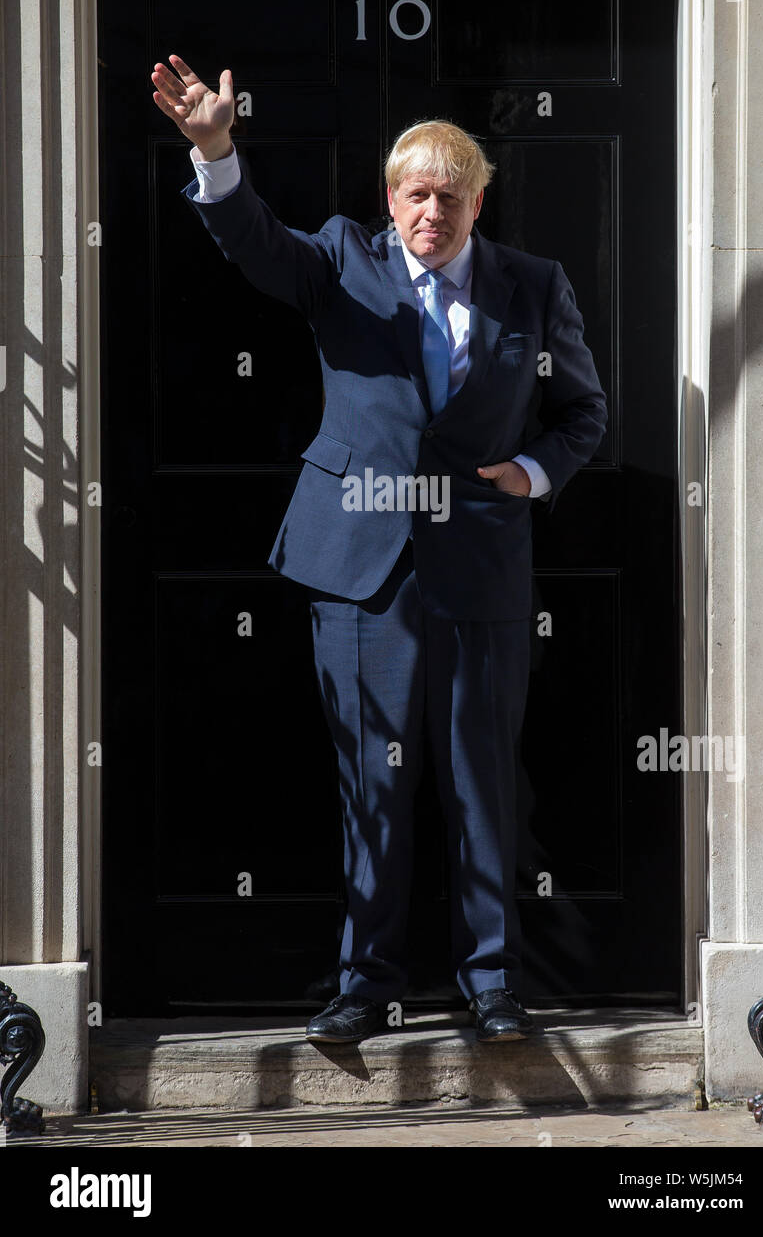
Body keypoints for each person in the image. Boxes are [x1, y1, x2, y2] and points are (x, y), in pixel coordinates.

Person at [152, 54, 608, 1043]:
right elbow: (255, 246)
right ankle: (364, 987)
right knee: (373, 782)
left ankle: (492, 987)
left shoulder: (533, 288)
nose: (429, 214)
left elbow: (581, 411)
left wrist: (530, 475)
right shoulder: (341, 261)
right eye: (414, 194)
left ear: (478, 201)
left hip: (480, 567)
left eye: (448, 196)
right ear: (388, 199)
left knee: (481, 777)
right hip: (360, 568)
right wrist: (217, 150)